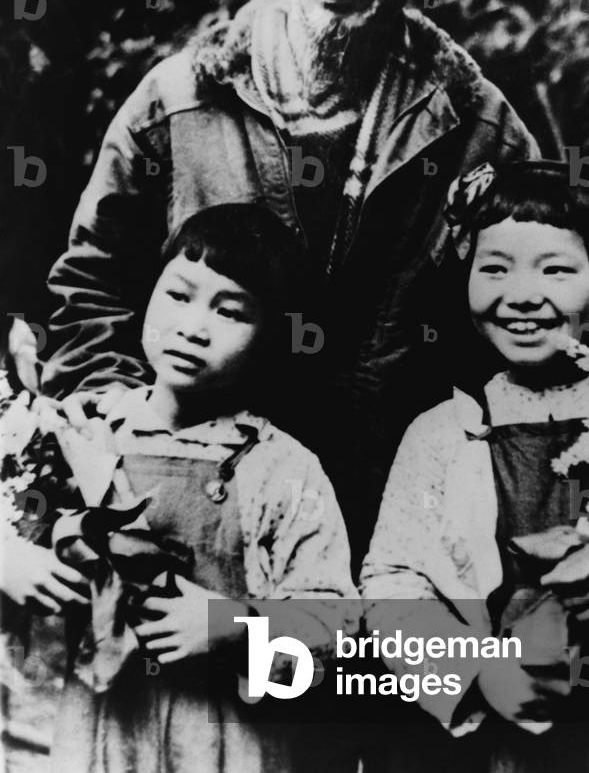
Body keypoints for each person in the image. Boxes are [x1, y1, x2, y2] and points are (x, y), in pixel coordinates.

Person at [40, 0, 538, 564]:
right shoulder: (179, 103)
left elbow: (523, 343)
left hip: (391, 548)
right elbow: (89, 298)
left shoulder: (481, 133)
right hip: (186, 539)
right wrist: (148, 467)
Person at [360, 161, 589, 772]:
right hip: (493, 732)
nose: (521, 294)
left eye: (556, 269)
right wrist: (472, 671)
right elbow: (393, 582)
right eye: (494, 268)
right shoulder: (444, 433)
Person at [3, 203, 358, 773]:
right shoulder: (81, 430)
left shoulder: (281, 468)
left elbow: (335, 632)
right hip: (101, 736)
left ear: (270, 334)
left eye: (230, 311)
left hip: (224, 744)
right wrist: (7, 557)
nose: (194, 327)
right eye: (178, 295)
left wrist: (229, 626)